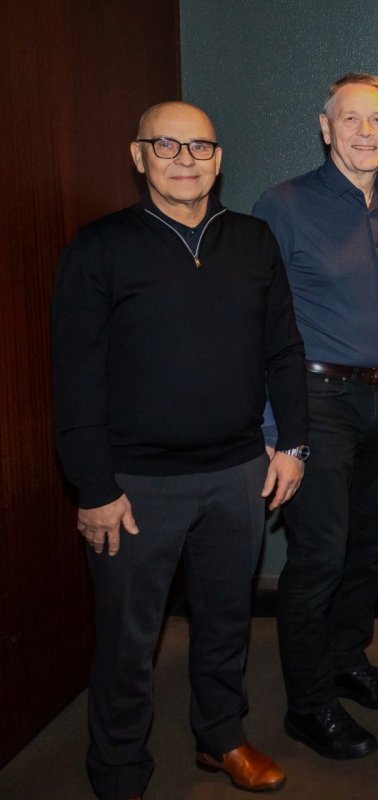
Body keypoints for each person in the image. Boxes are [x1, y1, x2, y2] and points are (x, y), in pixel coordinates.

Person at [52, 101, 308, 799]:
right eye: (166, 145)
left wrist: (292, 443)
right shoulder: (100, 247)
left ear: (218, 160)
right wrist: (94, 487)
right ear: (138, 155)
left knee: (226, 623)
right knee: (128, 643)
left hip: (239, 474)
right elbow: (75, 378)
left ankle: (221, 738)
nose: (184, 160)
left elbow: (283, 350)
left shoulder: (253, 239)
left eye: (199, 147)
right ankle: (119, 771)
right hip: (135, 486)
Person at [253, 73, 378, 760]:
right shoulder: (282, 205)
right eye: (350, 119)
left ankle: (347, 659)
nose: (364, 132)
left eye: (377, 120)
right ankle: (308, 704)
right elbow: (260, 322)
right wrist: (277, 433)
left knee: (372, 546)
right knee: (319, 554)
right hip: (316, 399)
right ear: (325, 128)